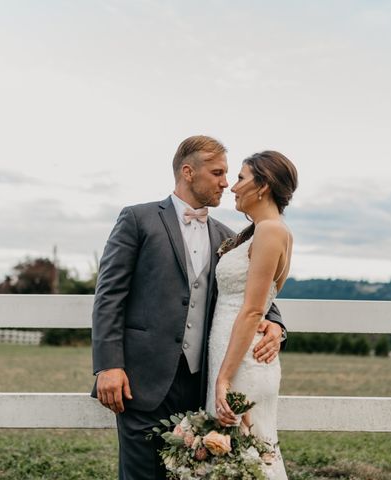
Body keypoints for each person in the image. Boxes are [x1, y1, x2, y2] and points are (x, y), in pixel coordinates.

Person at [91, 136, 286, 480]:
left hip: (201, 382)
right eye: (217, 172)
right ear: (187, 172)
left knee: (192, 474)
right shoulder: (138, 219)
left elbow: (254, 293)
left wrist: (277, 325)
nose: (225, 182)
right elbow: (109, 294)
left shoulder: (229, 236)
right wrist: (108, 365)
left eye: (229, 174)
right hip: (141, 379)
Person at [206, 150, 297, 479]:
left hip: (242, 362)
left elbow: (254, 308)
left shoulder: (272, 231)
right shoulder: (255, 232)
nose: (233, 186)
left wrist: (224, 377)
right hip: (230, 354)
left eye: (242, 178)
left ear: (263, 186)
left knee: (249, 454)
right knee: (231, 458)